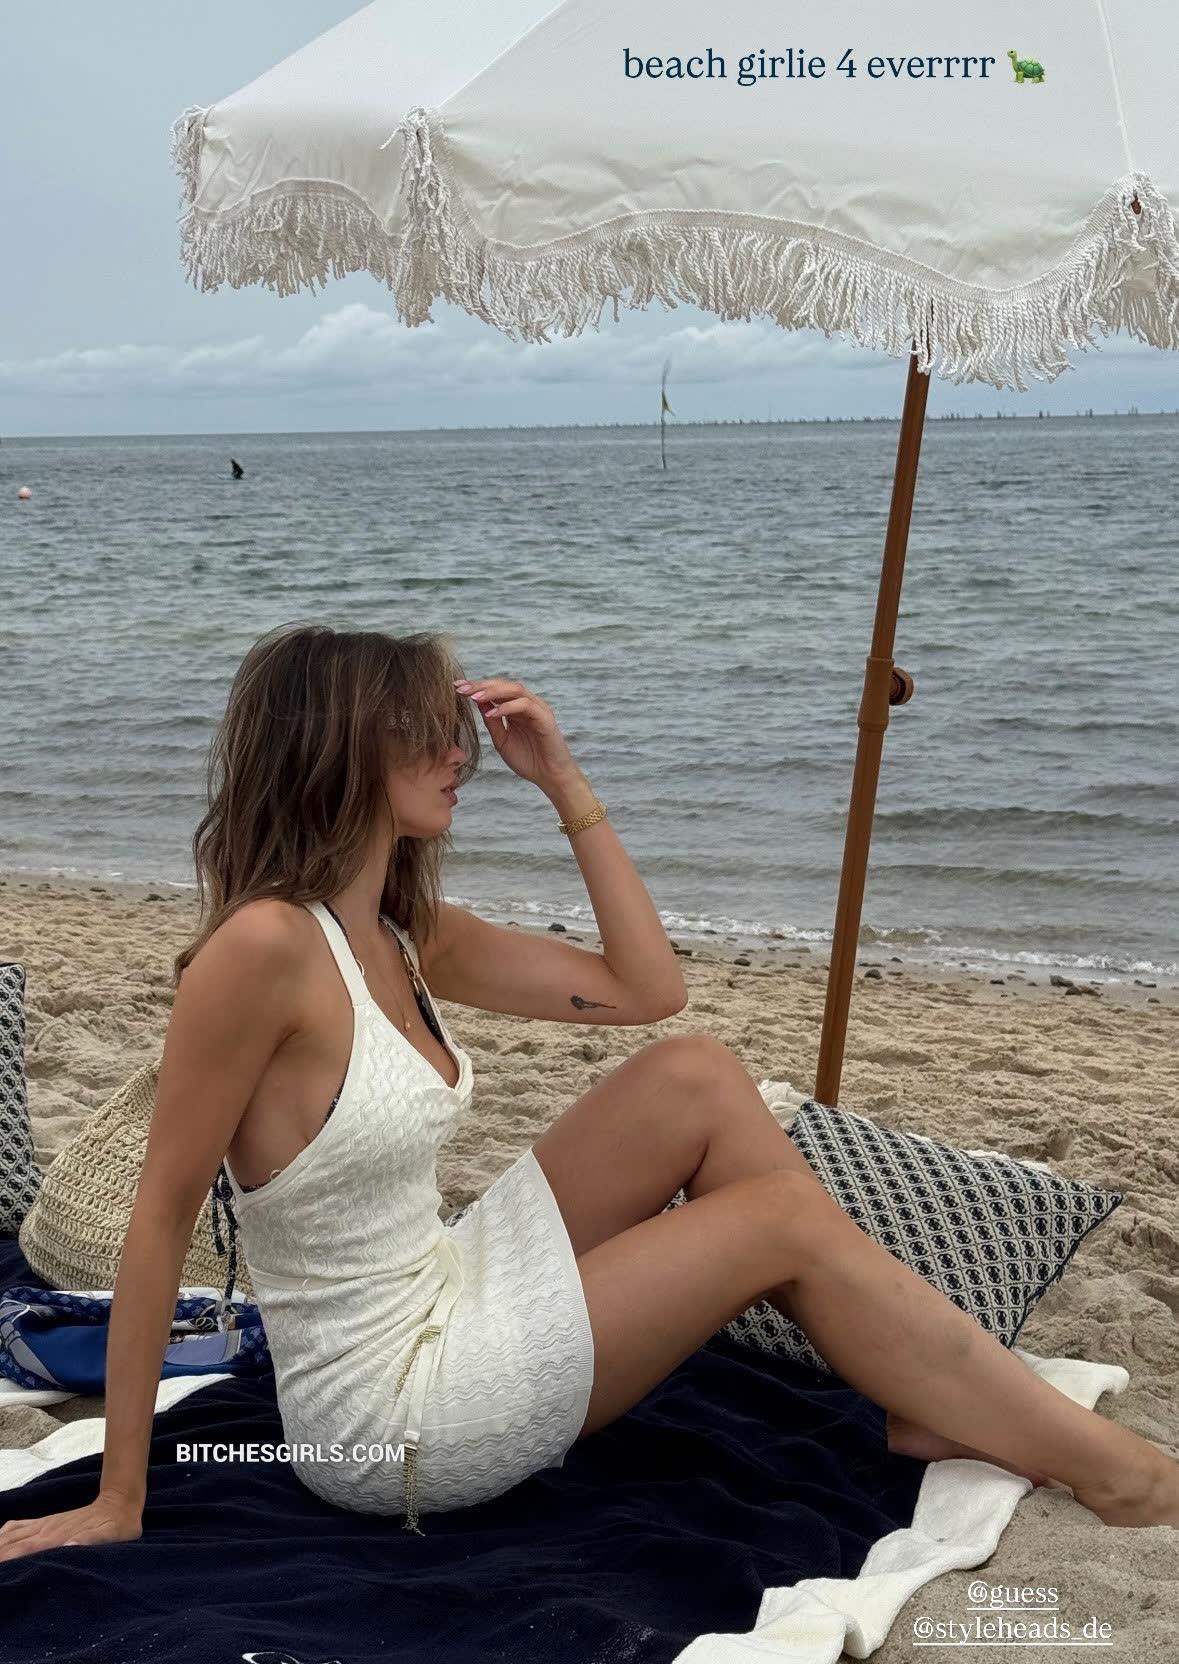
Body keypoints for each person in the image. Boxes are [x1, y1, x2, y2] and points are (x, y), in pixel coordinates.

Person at [2, 623, 1176, 1561]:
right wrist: (119, 1498)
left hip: (448, 1280)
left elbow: (647, 988)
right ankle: (1112, 1469)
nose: (458, 753)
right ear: (340, 748)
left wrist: (561, 776)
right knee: (772, 1217)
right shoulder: (261, 949)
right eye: (428, 732)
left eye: (457, 731)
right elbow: (159, 1216)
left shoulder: (405, 930)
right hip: (386, 1411)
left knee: (695, 1071)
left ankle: (926, 1391)